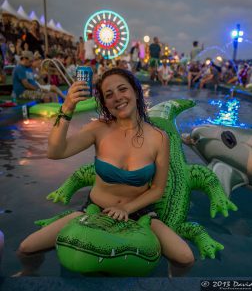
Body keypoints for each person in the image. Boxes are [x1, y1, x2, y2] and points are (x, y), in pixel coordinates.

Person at [15, 68, 194, 277]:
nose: (117, 97)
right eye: (109, 95)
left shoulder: (159, 138)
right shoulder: (99, 129)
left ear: (135, 92)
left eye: (122, 89)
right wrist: (67, 107)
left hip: (139, 214)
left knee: (185, 258)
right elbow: (55, 152)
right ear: (105, 102)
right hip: (95, 210)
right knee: (27, 248)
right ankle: (29, 273)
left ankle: (172, 280)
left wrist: (127, 208)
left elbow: (157, 190)